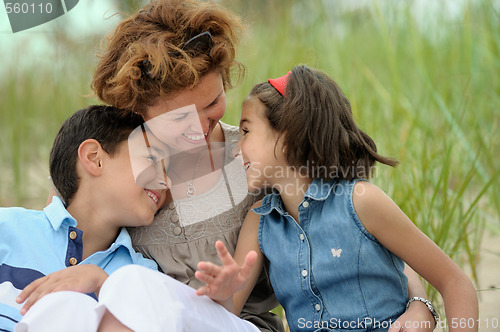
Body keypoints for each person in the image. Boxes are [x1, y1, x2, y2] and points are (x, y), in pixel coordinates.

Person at [88, 0, 436, 331]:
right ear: (139, 110)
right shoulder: (113, 164)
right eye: (179, 119)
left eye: (212, 102)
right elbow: (67, 240)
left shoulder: (257, 155)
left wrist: (420, 302)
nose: (199, 128)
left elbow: (358, 236)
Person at [194, 66, 479, 331]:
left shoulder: (361, 201)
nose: (236, 148)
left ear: (289, 135)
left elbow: (455, 282)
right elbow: (228, 313)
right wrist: (222, 296)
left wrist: (421, 308)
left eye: (246, 131)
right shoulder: (259, 222)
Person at [0, 105, 170, 331]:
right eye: (151, 159)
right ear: (94, 158)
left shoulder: (142, 275)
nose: (166, 182)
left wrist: (103, 285)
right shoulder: (7, 229)